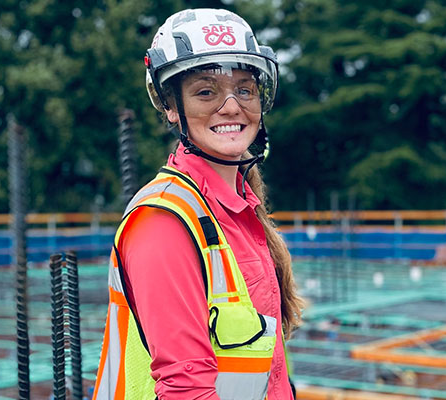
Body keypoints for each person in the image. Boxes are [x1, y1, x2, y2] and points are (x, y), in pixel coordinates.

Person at [93, 9, 303, 399]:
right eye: (205, 92)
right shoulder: (164, 221)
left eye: (244, 89)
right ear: (172, 107)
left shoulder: (242, 210)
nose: (230, 106)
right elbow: (185, 388)